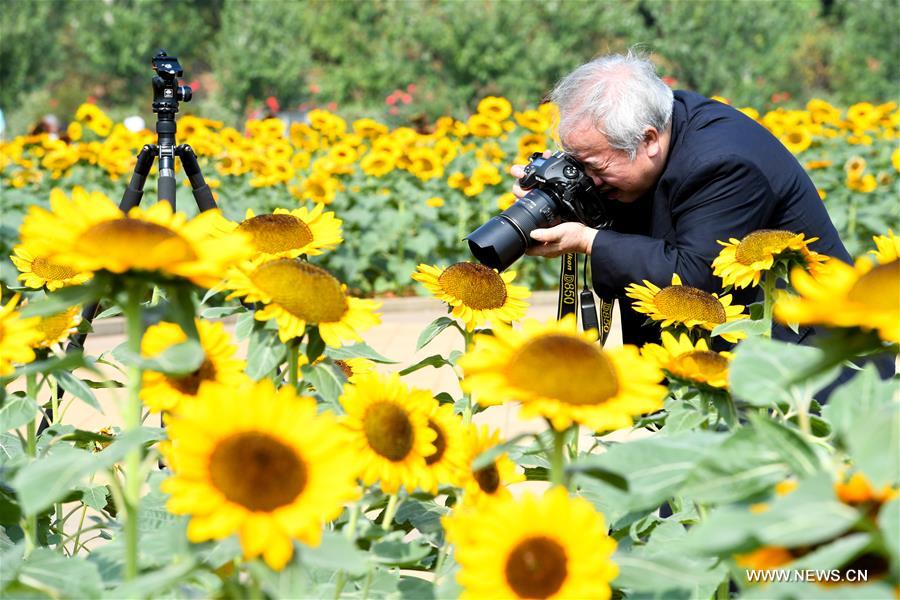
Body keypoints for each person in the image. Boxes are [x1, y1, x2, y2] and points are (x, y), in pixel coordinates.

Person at [510, 52, 893, 390]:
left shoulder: (723, 162)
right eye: (576, 163)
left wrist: (587, 240)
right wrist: (567, 198)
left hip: (815, 364)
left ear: (648, 140)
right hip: (744, 358)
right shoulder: (666, 122)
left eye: (592, 165)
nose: (588, 178)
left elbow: (693, 278)